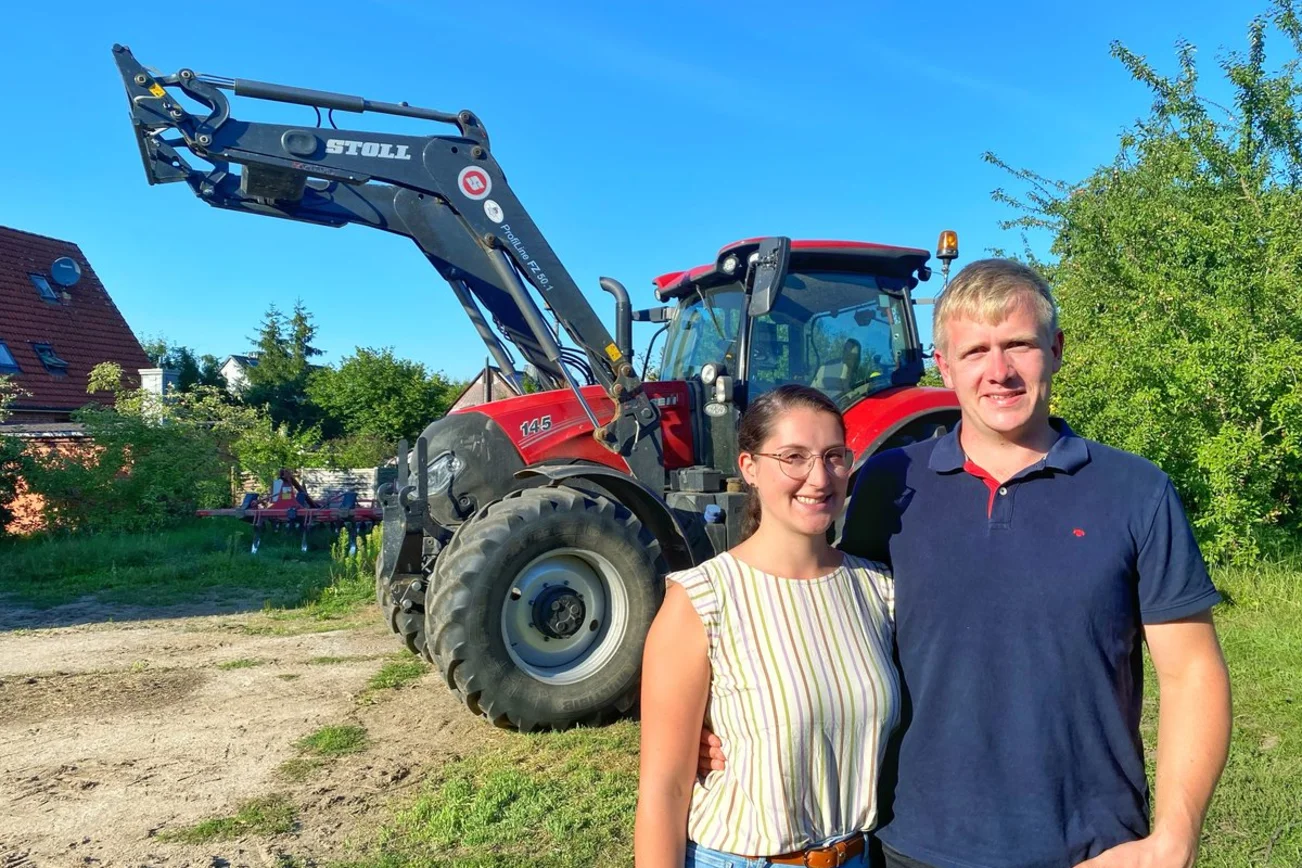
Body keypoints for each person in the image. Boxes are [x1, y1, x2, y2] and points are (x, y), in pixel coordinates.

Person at [703, 259, 1232, 868]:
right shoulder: (887, 484)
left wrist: (1174, 838)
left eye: (1019, 345)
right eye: (976, 351)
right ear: (945, 364)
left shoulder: (1135, 491)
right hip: (914, 842)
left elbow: (1192, 671)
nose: (999, 371)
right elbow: (814, 605)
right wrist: (711, 718)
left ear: (1055, 350)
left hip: (1091, 846)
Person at [636, 384, 897, 868]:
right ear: (750, 467)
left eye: (834, 456)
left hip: (856, 857)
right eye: (793, 457)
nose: (819, 477)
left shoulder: (879, 590)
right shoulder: (703, 600)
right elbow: (664, 788)